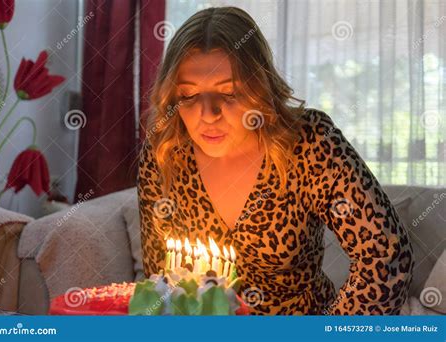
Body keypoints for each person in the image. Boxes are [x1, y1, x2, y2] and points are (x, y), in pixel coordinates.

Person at [137, 6, 414, 315]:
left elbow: (385, 256)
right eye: (188, 96)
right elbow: (159, 276)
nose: (208, 114)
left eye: (228, 93)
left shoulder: (309, 141)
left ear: (259, 86)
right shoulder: (165, 150)